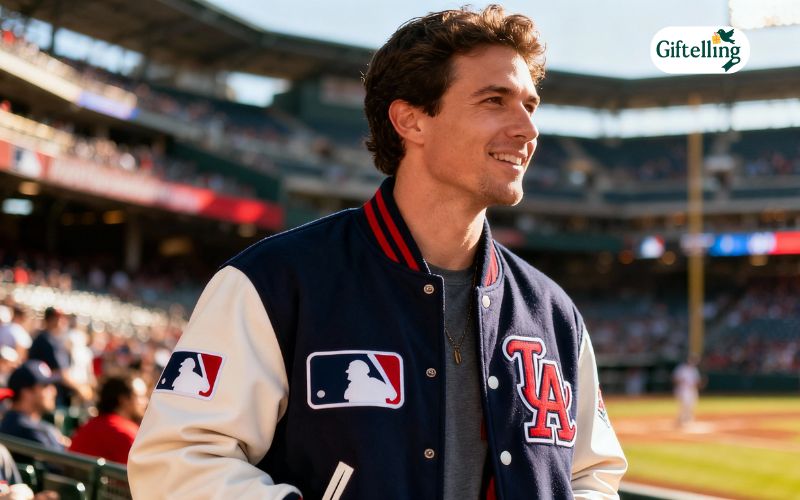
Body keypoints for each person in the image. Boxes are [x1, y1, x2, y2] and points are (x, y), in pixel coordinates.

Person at [130, 5, 627, 499]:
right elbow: (177, 460)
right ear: (410, 121)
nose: (527, 129)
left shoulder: (553, 312)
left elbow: (592, 477)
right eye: (495, 100)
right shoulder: (274, 282)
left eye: (530, 105)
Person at [69, 375, 148, 464]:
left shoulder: (93, 424)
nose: (146, 401)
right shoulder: (124, 432)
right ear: (123, 400)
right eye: (141, 396)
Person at [27, 308, 92, 406]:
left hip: (49, 392)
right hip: (49, 393)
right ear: (50, 320)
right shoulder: (47, 341)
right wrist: (80, 388)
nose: (62, 322)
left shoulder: (50, 339)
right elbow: (60, 373)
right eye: (58, 318)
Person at [0, 361, 67, 451]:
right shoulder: (24, 430)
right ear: (26, 393)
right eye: (45, 386)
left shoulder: (32, 424)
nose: (53, 391)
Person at [673, 355, 702, 427]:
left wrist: (698, 384)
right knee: (684, 405)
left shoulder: (694, 369)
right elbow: (675, 379)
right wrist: (682, 383)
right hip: (683, 390)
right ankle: (681, 420)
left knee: (692, 404)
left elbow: (697, 381)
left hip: (692, 390)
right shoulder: (681, 368)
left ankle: (689, 419)